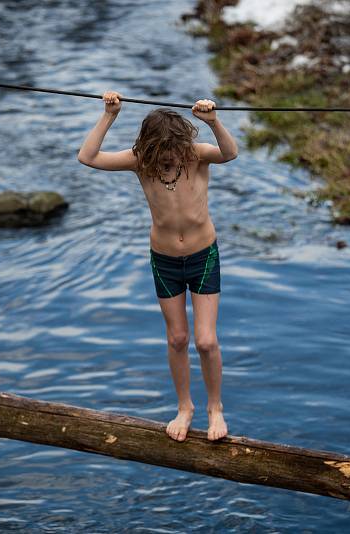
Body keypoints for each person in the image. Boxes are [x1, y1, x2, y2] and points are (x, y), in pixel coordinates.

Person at [77, 90, 237, 442]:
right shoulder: (140, 162)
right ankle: (185, 407)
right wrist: (109, 115)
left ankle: (215, 408)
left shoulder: (195, 156)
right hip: (164, 260)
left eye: (173, 150)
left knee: (206, 341)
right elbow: (87, 157)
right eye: (162, 152)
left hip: (203, 256)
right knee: (177, 338)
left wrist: (213, 122)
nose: (169, 158)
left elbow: (230, 152)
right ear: (149, 147)